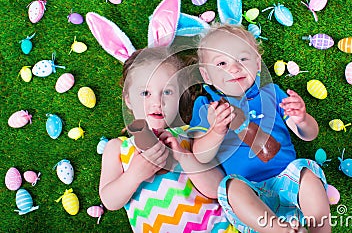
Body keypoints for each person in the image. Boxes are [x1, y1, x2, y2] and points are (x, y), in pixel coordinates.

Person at [189, 24, 331, 233]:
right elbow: (201, 156)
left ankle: (321, 230)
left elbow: (309, 135)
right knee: (231, 187)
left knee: (306, 174)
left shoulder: (271, 93)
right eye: (221, 63)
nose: (234, 68)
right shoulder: (206, 107)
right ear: (207, 76)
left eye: (242, 59)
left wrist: (302, 119)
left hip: (289, 182)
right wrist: (216, 130)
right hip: (251, 199)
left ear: (257, 63)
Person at [99, 47, 237, 232]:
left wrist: (184, 156)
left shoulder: (189, 135)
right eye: (145, 93)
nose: (157, 102)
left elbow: (217, 189)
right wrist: (134, 175)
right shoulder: (117, 148)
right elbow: (109, 201)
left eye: (168, 92)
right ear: (128, 100)